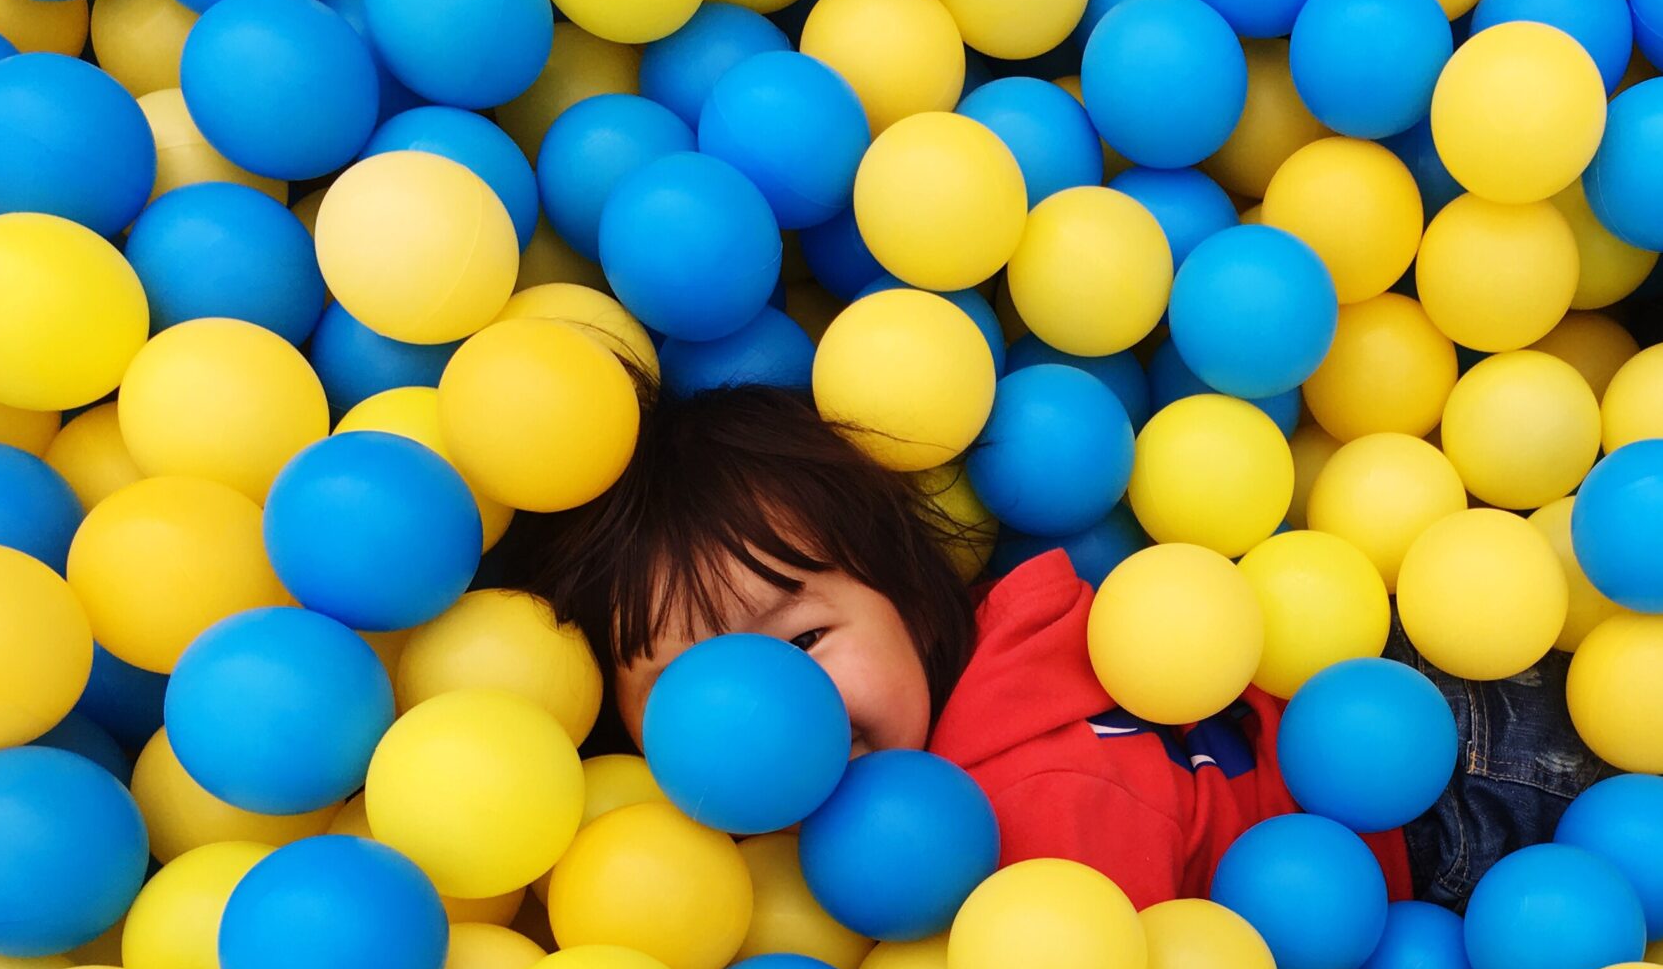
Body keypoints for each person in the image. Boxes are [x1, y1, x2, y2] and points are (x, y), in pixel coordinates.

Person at [493, 380, 1600, 913]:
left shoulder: (1032, 804)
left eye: (807, 638)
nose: (775, 717)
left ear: (912, 608)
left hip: (1461, 784)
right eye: (697, 693)